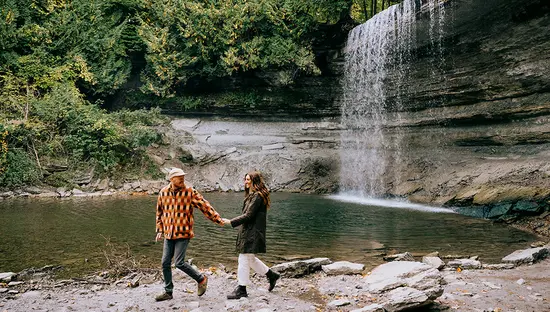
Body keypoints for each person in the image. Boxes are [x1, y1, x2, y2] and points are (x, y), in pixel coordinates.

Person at [154, 168, 226, 301]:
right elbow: (159, 213)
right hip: (169, 233)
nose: (182, 179)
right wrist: (159, 230)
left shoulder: (189, 192)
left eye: (183, 177)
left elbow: (205, 206)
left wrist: (218, 220)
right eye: (179, 177)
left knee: (179, 262)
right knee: (165, 263)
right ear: (171, 179)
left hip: (183, 232)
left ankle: (201, 279)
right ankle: (168, 292)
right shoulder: (163, 193)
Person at [222, 170, 280, 300]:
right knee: (250, 259)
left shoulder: (257, 196)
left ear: (255, 181)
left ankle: (242, 289)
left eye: (248, 180)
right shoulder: (253, 195)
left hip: (252, 233)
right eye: (245, 179)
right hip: (250, 231)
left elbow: (248, 215)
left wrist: (231, 222)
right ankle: (271, 275)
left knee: (243, 259)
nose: (246, 182)